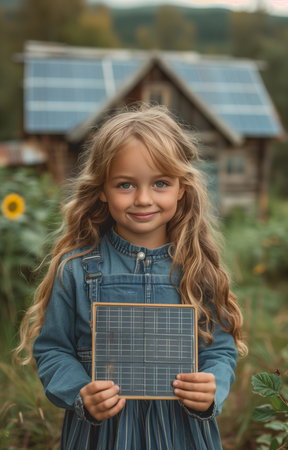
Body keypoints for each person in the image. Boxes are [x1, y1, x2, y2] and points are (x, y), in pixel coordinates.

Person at [17, 105, 247, 450]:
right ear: (102, 190)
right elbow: (53, 349)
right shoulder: (77, 269)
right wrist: (81, 392)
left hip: (181, 431)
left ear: (181, 188)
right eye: (125, 184)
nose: (143, 199)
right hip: (102, 432)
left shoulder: (198, 270)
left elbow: (221, 348)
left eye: (160, 183)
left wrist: (212, 383)